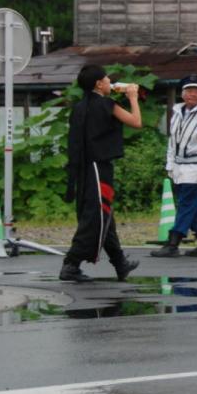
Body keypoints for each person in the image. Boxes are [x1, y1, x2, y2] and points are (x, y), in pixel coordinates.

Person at [59, 66, 143, 283]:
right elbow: (136, 122)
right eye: (106, 78)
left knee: (105, 216)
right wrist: (133, 97)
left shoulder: (79, 107)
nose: (109, 81)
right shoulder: (106, 104)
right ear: (98, 83)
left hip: (83, 167)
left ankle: (120, 263)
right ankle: (71, 264)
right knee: (95, 217)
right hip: (99, 167)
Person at [153, 75, 197, 258]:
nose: (194, 94)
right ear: (183, 94)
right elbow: (172, 142)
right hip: (179, 169)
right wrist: (170, 165)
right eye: (190, 91)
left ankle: (173, 242)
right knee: (193, 206)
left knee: (186, 204)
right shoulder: (177, 113)